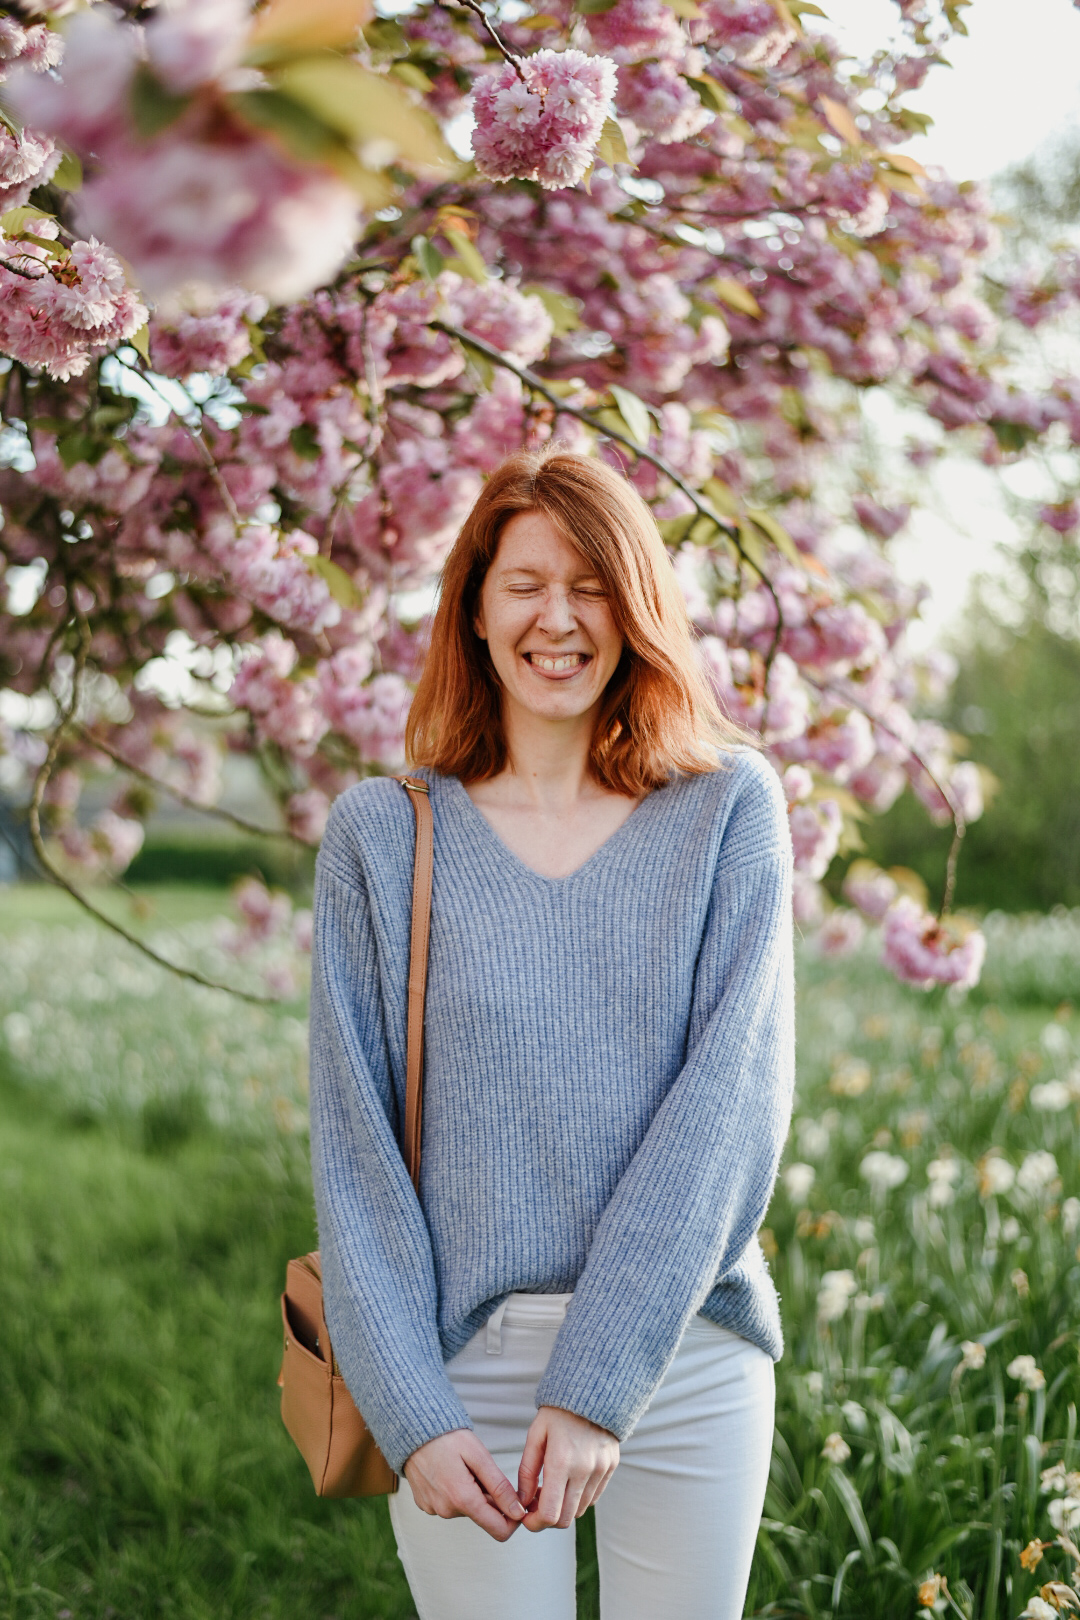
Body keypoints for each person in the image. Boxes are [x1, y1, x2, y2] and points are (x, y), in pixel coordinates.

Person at [309, 450, 795, 1620]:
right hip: (459, 1374)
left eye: (592, 585)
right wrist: (409, 1411)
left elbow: (728, 1115)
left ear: (635, 611)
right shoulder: (383, 835)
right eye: (525, 583)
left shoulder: (729, 810)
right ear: (475, 610)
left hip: (683, 1355)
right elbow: (354, 1150)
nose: (559, 619)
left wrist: (595, 1385)